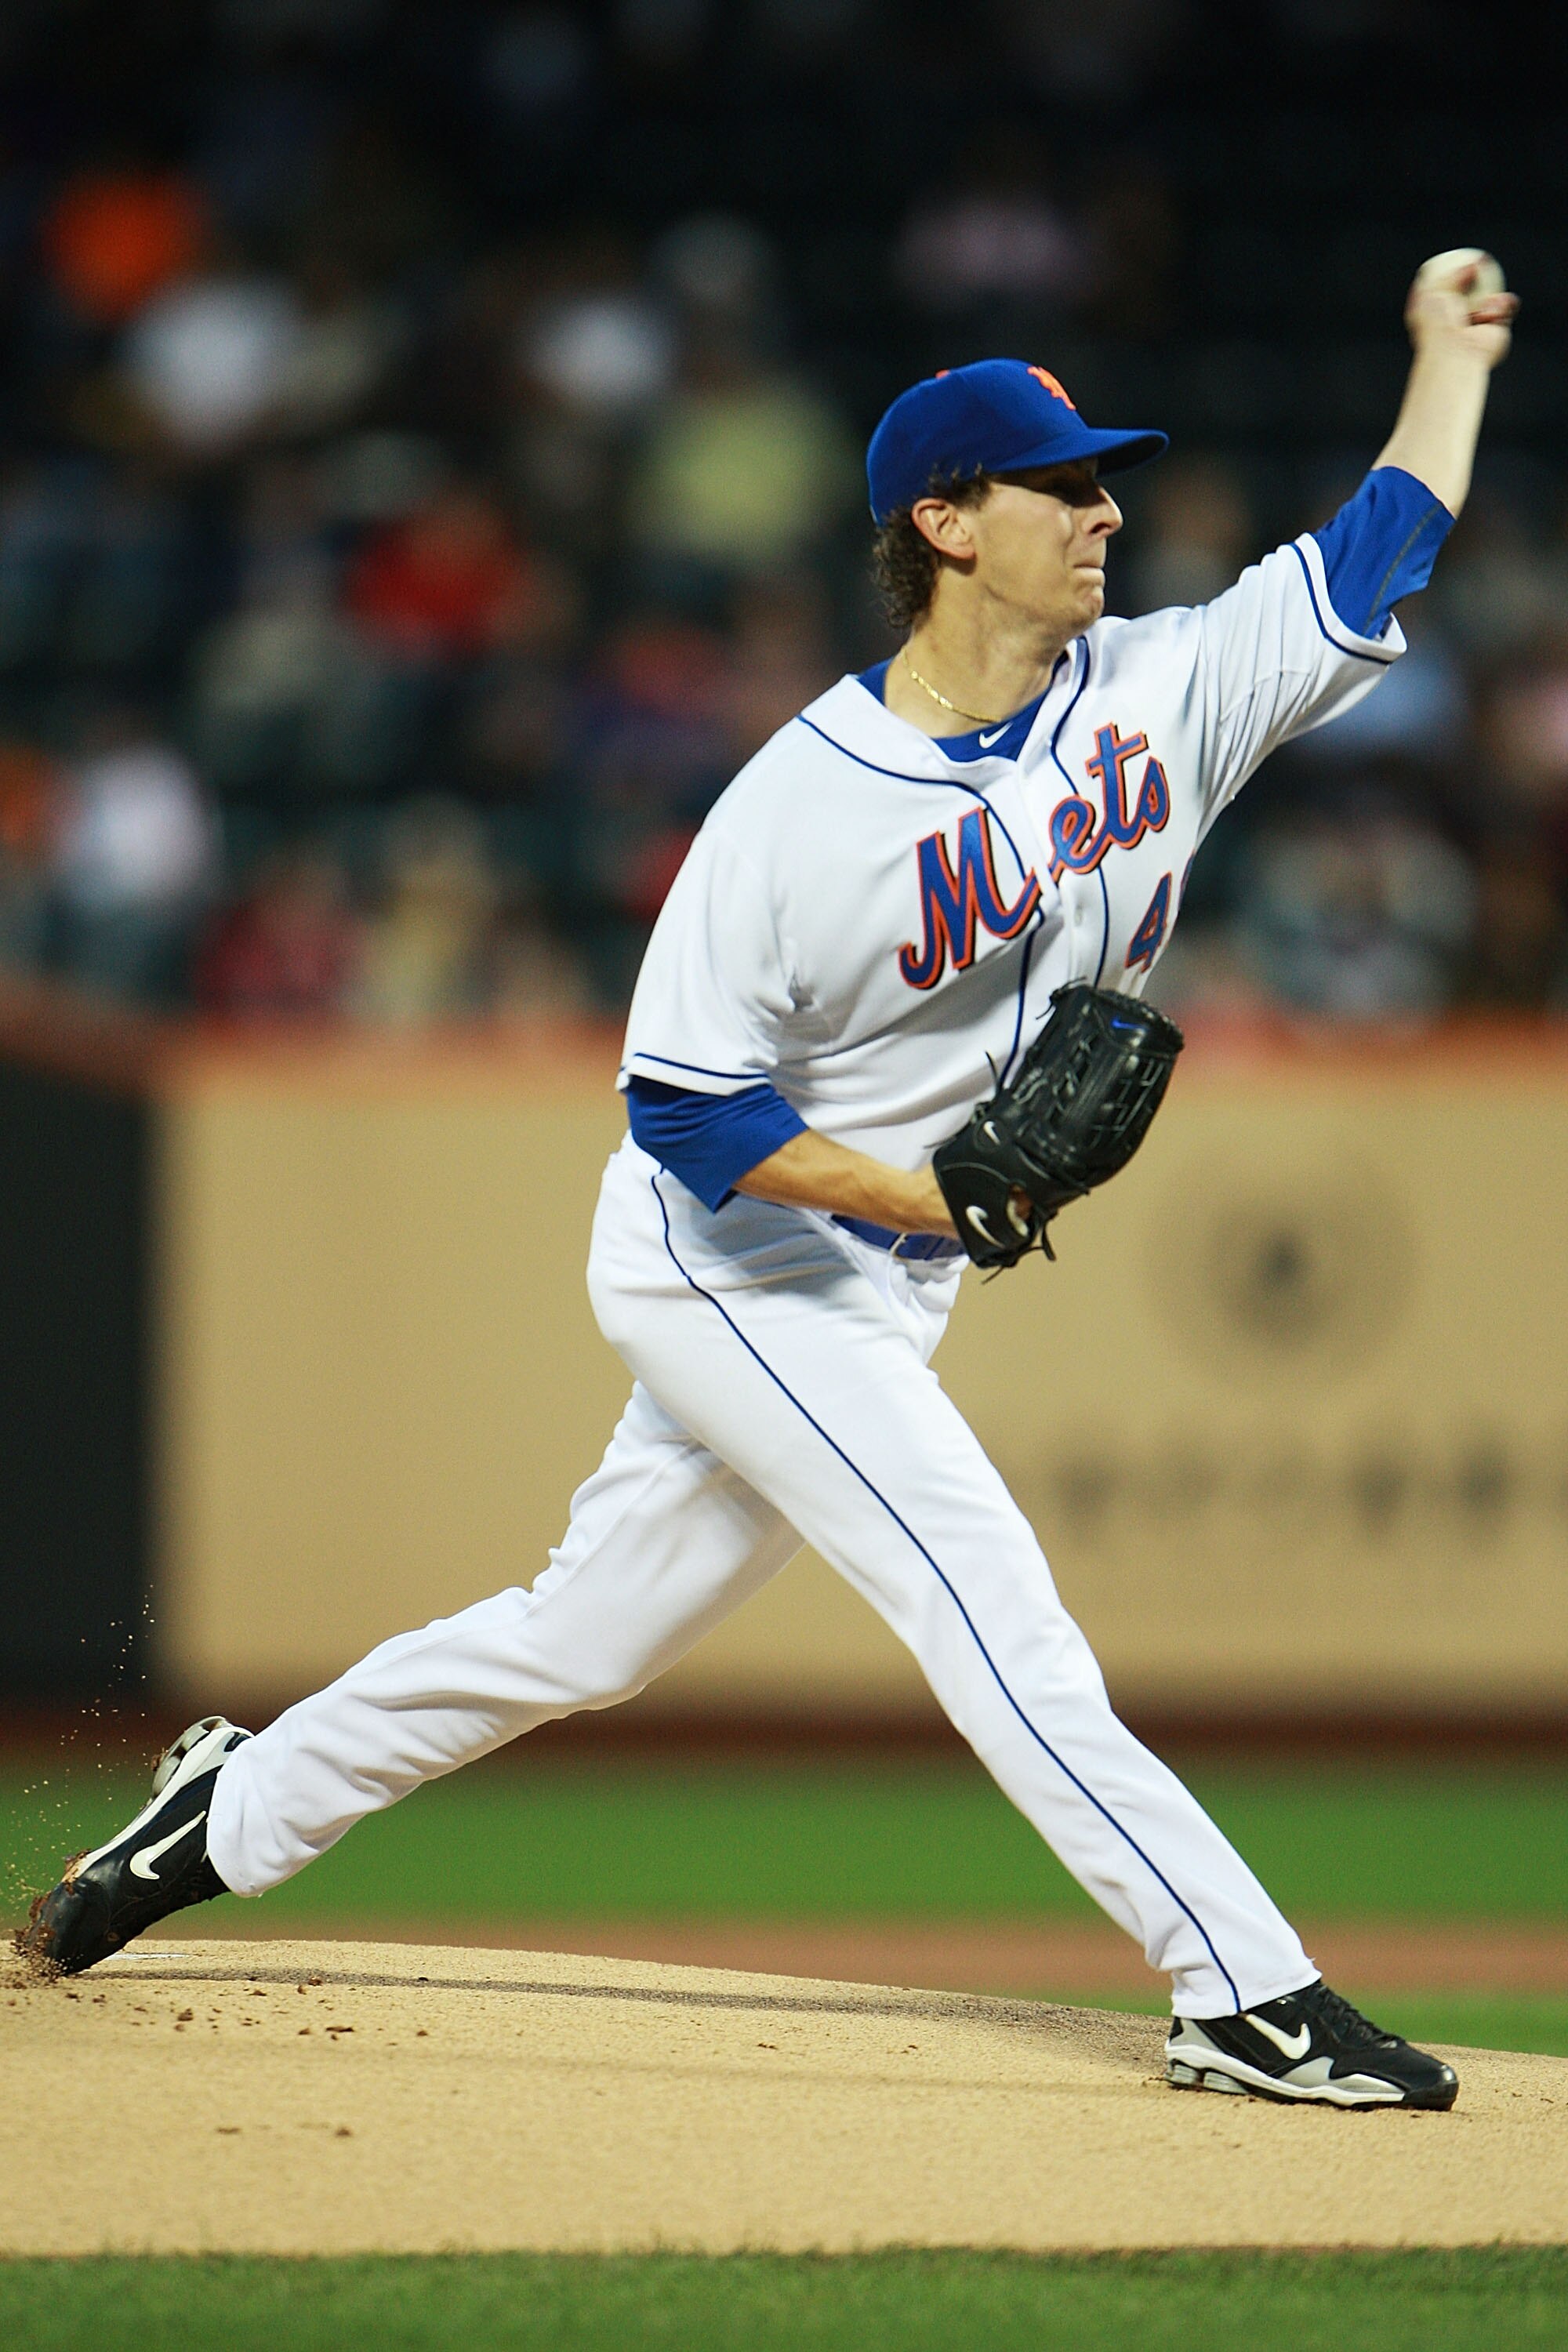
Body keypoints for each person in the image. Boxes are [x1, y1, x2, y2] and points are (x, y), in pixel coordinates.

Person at [21, 260, 1516, 2111]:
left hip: (886, 1270)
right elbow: (686, 1114)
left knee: (584, 1634)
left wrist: (1445, 362)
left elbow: (1376, 551)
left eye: (1103, 479)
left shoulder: (1162, 692)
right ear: (944, 524)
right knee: (986, 1599)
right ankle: (1244, 1992)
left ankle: (222, 1810)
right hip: (735, 1259)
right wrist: (920, 1202)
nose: (1105, 512)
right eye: (1064, 487)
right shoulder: (796, 810)